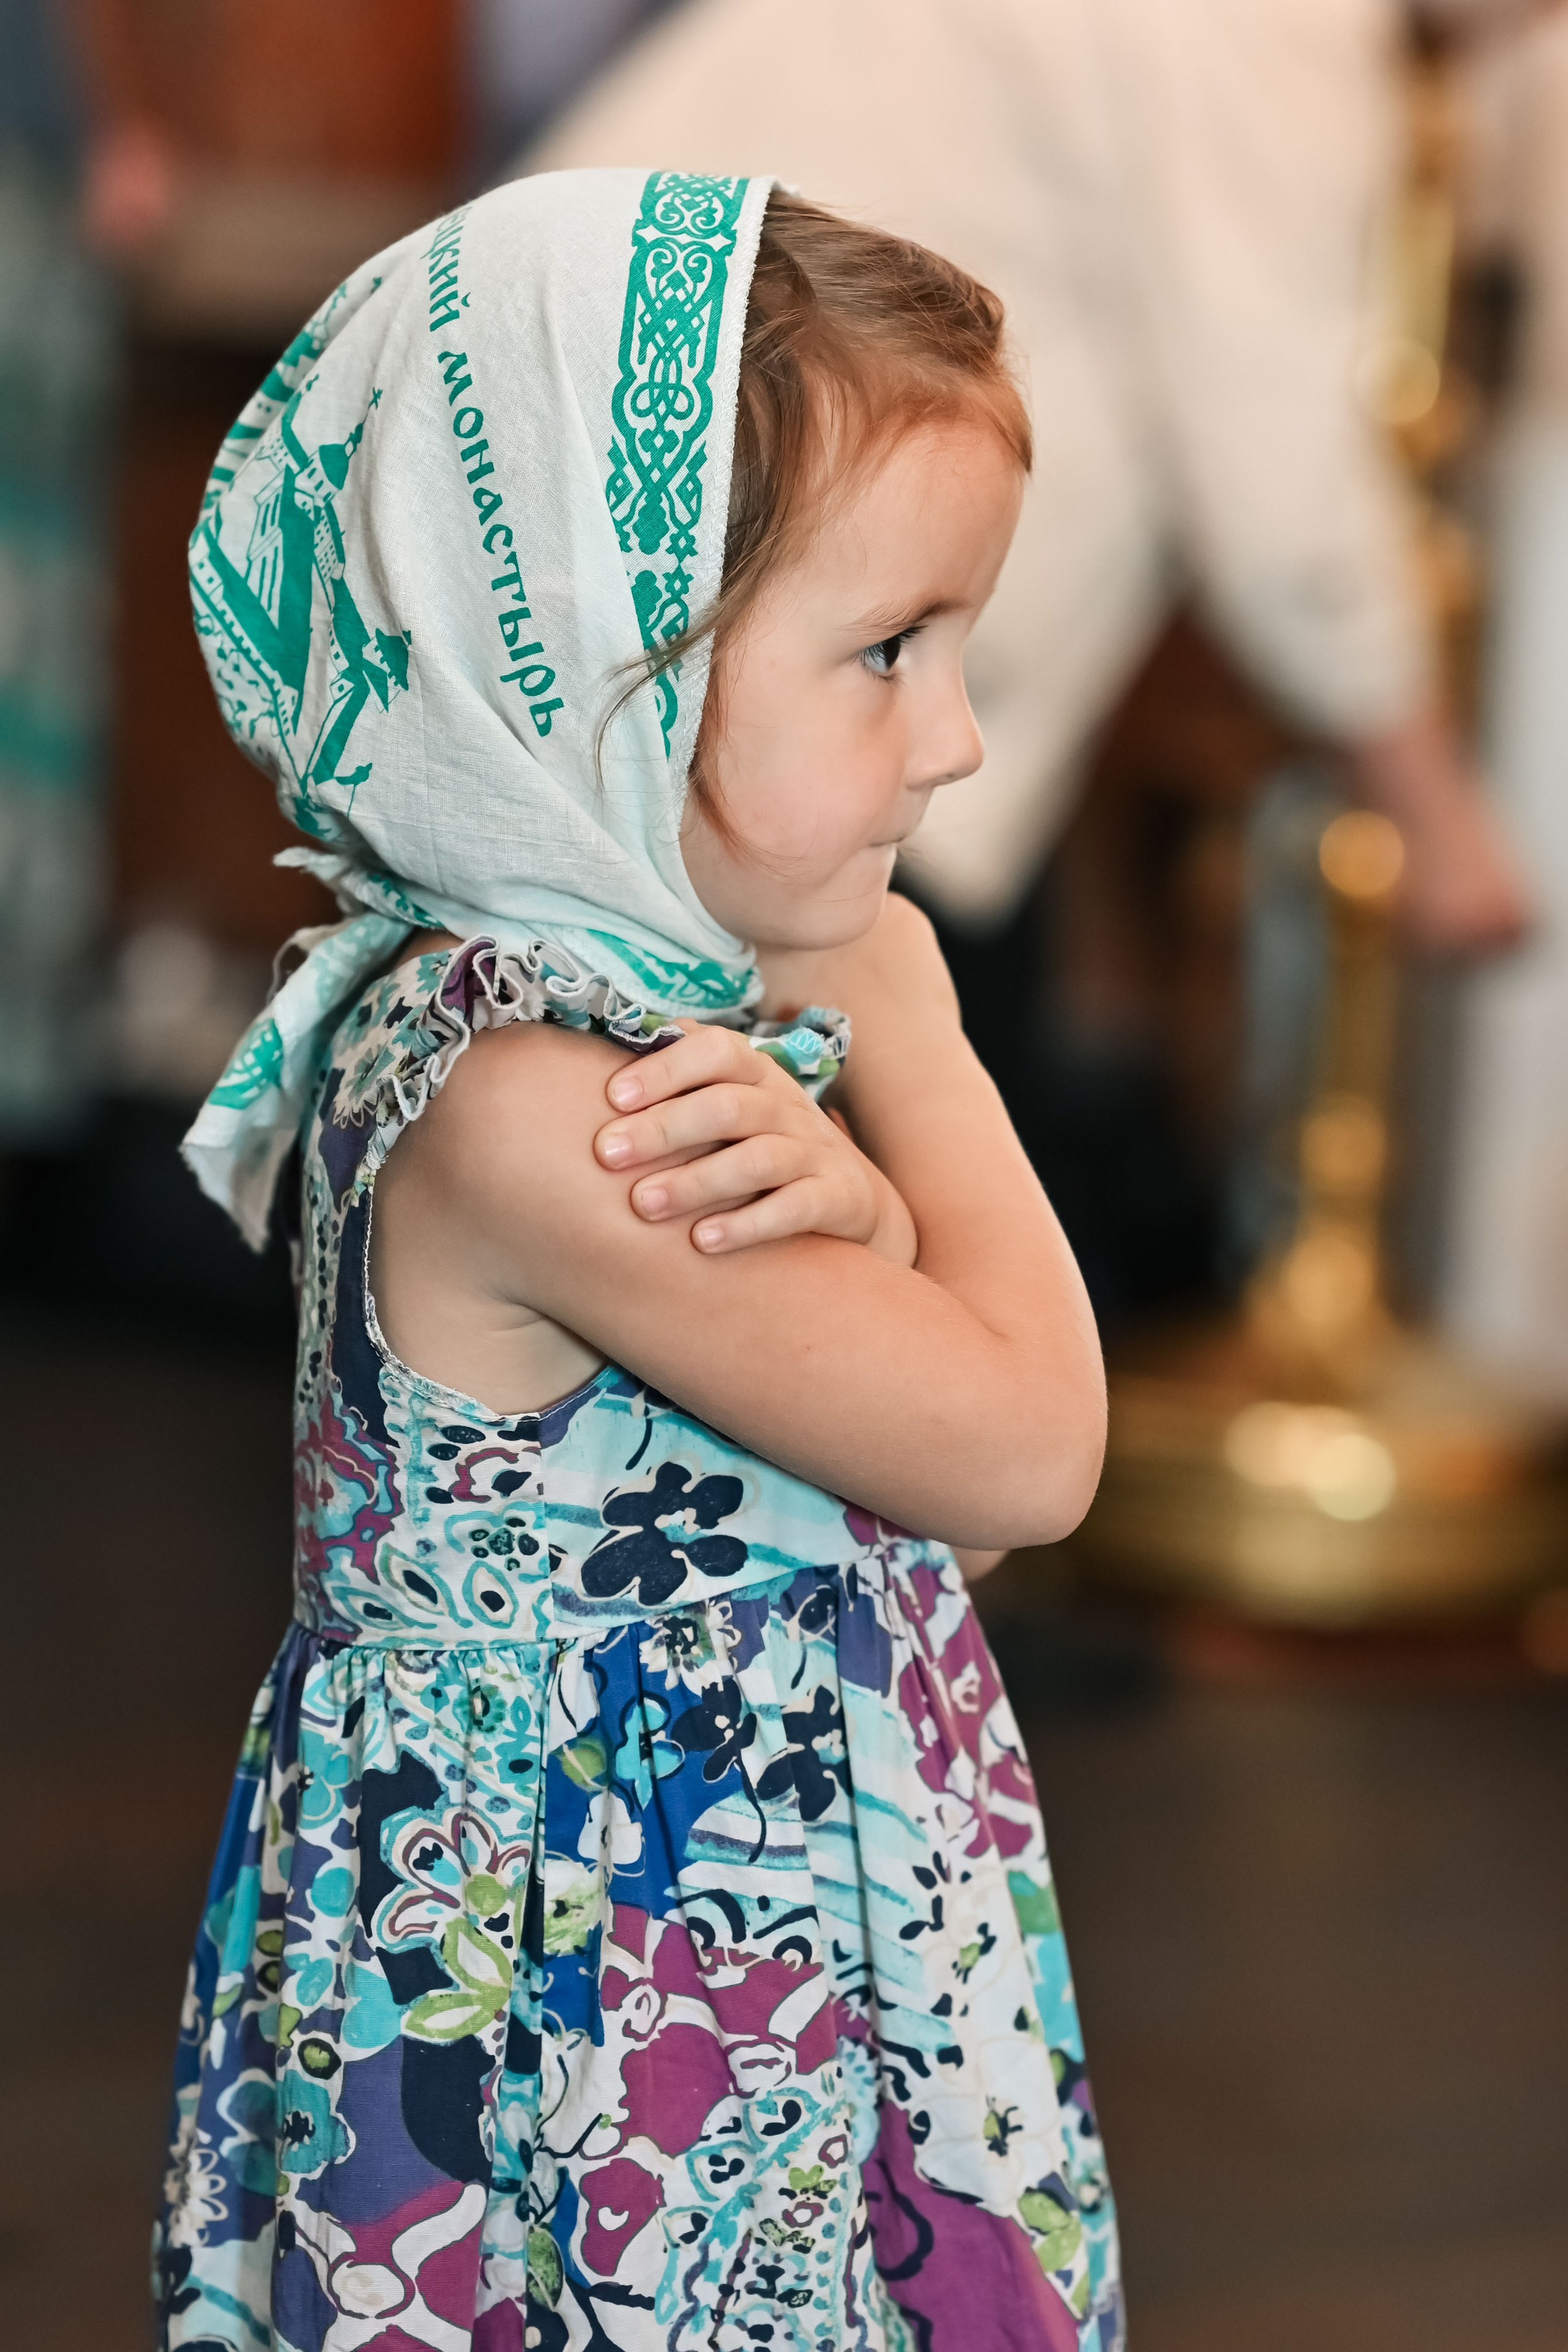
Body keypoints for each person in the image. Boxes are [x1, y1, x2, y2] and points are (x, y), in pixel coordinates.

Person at [157, 171, 1123, 2350]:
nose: (955, 736)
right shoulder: (551, 1102)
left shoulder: (621, 1013)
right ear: (580, 667)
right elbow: (1031, 1454)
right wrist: (923, 1035)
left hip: (718, 1928)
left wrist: (864, 1211)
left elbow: (823, 1481)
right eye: (887, 650)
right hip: (615, 2012)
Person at [526, 0, 1528, 961]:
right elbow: (1284, 495)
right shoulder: (1273, 26)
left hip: (596, 534)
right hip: (701, 632)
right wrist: (1438, 820)